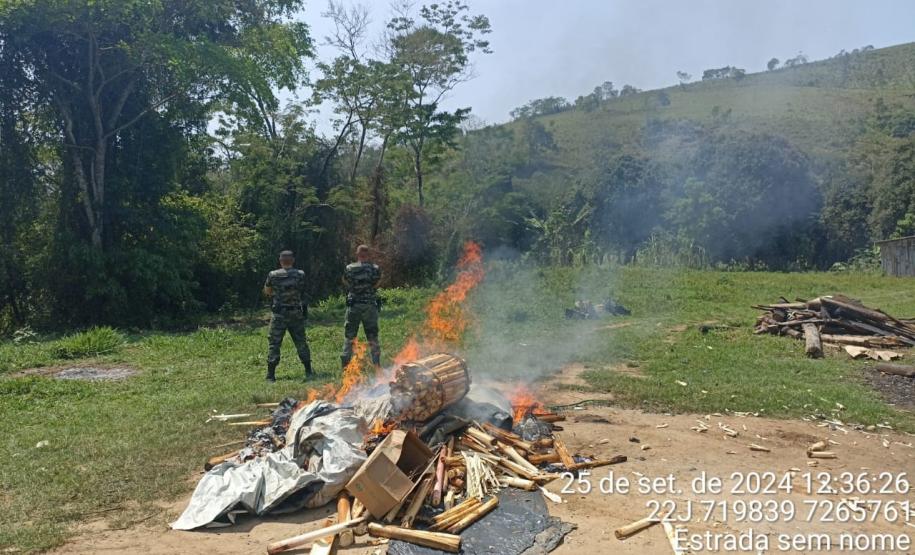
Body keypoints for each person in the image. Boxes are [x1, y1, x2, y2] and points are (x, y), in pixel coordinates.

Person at [263, 250, 313, 382]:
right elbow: (303, 291)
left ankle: (271, 375)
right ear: (293, 260)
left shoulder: (273, 275)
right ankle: (308, 371)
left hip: (279, 314)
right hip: (296, 313)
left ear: (280, 261)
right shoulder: (300, 274)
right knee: (301, 342)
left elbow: (267, 291)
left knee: (274, 343)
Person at [342, 245, 382, 368]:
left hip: (354, 306)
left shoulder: (349, 268)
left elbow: (345, 281)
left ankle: (345, 364)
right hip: (369, 305)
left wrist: (353, 290)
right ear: (368, 254)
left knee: (350, 336)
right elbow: (378, 283)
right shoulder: (375, 269)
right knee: (372, 336)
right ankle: (376, 364)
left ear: (357, 254)